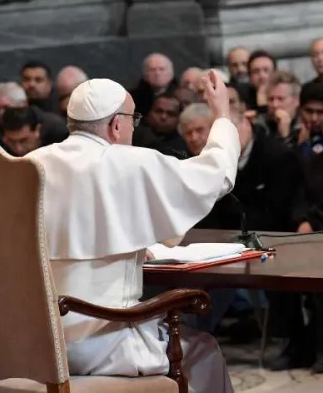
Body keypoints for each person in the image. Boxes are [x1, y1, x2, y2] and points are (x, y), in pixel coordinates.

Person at [26, 71, 239, 392]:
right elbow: (215, 175)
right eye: (132, 119)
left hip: (37, 343)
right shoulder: (129, 162)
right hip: (103, 342)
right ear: (116, 124)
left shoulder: (31, 164)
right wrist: (222, 116)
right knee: (203, 348)